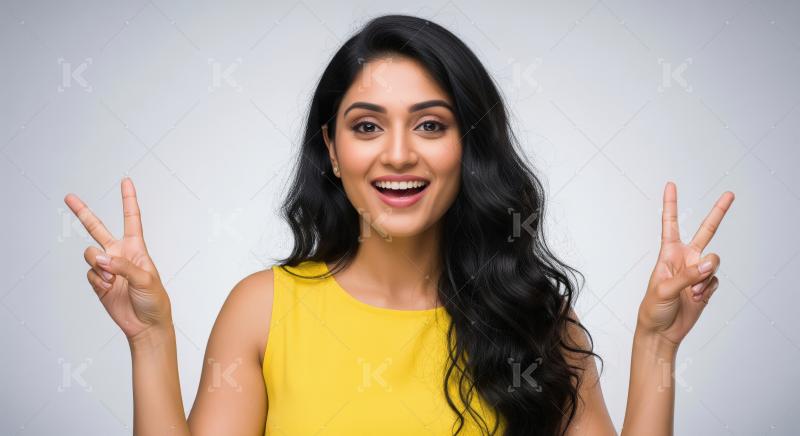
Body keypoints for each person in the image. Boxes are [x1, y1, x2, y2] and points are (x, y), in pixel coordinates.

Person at [63, 14, 734, 436]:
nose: (398, 153)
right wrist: (149, 340)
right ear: (331, 148)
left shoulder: (537, 320)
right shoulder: (262, 310)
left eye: (431, 125)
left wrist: (658, 346)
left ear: (469, 143)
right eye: (366, 126)